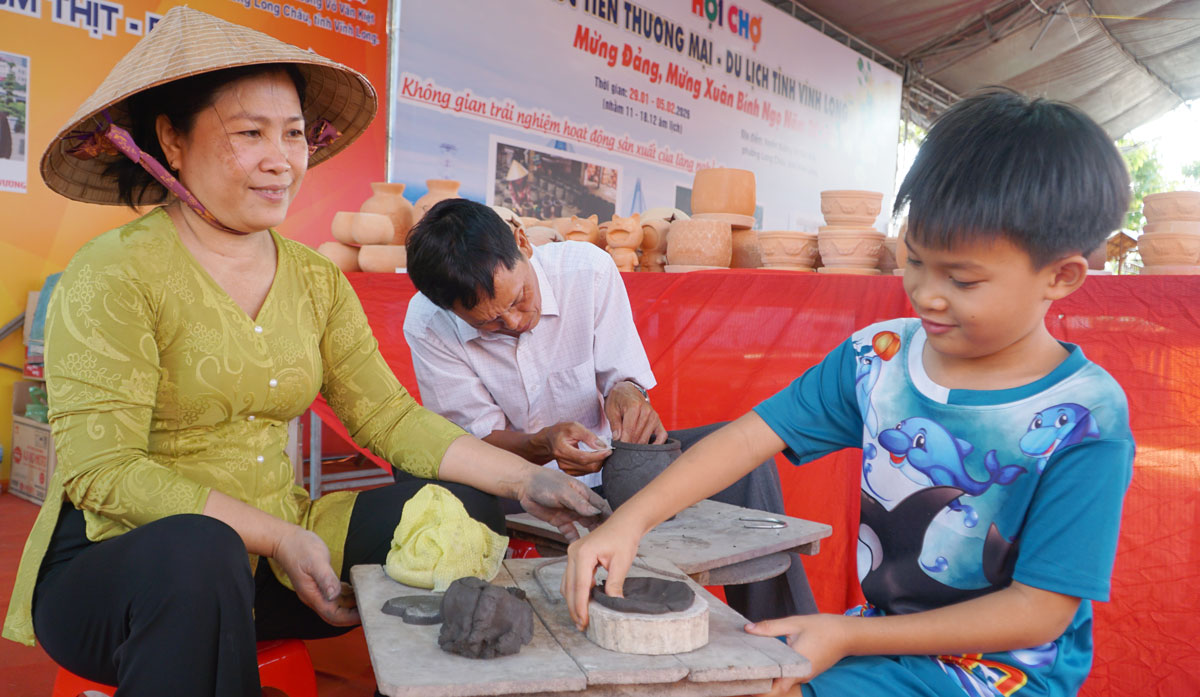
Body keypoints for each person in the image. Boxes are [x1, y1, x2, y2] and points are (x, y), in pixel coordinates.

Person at [2, 8, 605, 696]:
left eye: (292, 134)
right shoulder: (115, 272)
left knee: (468, 504)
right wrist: (273, 536)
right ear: (171, 139)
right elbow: (102, 473)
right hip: (130, 574)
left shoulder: (316, 280)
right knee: (203, 553)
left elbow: (391, 419)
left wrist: (522, 479)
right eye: (249, 133)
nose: (279, 159)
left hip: (286, 562)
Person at [563, 88, 1134, 697]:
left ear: (1061, 276)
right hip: (880, 637)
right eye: (913, 261)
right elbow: (749, 437)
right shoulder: (879, 356)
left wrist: (846, 635)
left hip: (1003, 672)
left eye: (962, 279)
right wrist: (628, 523)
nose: (926, 294)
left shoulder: (1085, 419)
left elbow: (1040, 612)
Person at [402, 198, 817, 621]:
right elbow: (473, 444)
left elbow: (625, 379)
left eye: (519, 299)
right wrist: (540, 446)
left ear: (523, 243)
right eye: (488, 323)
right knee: (433, 491)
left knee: (746, 461)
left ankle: (785, 635)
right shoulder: (428, 324)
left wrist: (628, 394)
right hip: (512, 492)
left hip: (609, 474)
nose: (513, 322)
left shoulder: (587, 271)